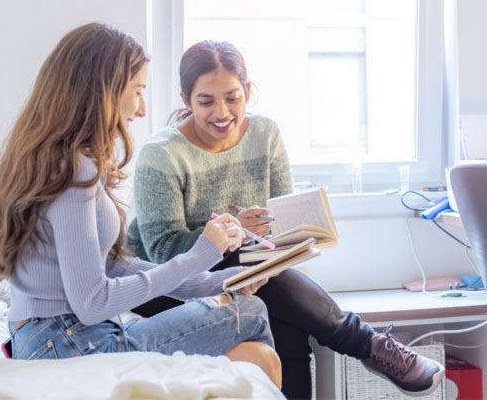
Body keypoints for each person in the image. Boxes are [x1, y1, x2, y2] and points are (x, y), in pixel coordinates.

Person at [127, 40, 444, 399]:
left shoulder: (265, 134)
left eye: (233, 98)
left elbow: (280, 219)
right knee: (243, 257)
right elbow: (162, 252)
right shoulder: (162, 153)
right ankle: (367, 344)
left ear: (248, 91)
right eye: (206, 101)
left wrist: (279, 259)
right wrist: (231, 231)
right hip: (163, 284)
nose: (222, 112)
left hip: (248, 267)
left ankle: (365, 343)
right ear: (186, 100)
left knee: (289, 326)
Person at [0, 24, 281, 387]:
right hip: (71, 344)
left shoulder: (55, 160)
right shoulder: (75, 171)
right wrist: (203, 253)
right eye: (137, 91)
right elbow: (92, 301)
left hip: (54, 340)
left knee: (251, 340)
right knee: (249, 313)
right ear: (104, 91)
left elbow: (110, 265)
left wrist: (217, 280)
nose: (140, 109)